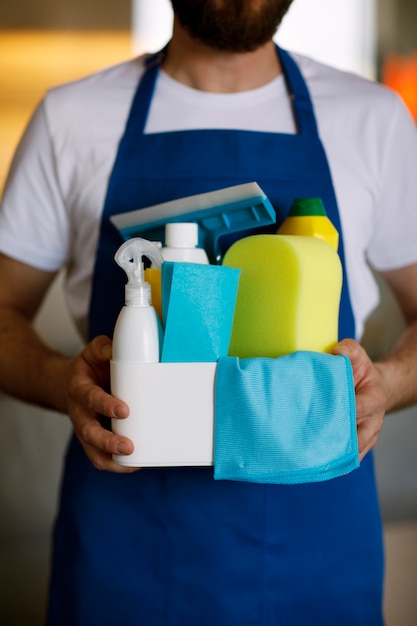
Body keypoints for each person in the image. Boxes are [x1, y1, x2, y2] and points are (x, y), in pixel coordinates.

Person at [1, 1, 417, 624]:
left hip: (316, 558)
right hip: (126, 558)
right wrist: (67, 383)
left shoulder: (373, 118)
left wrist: (385, 384)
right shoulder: (72, 117)